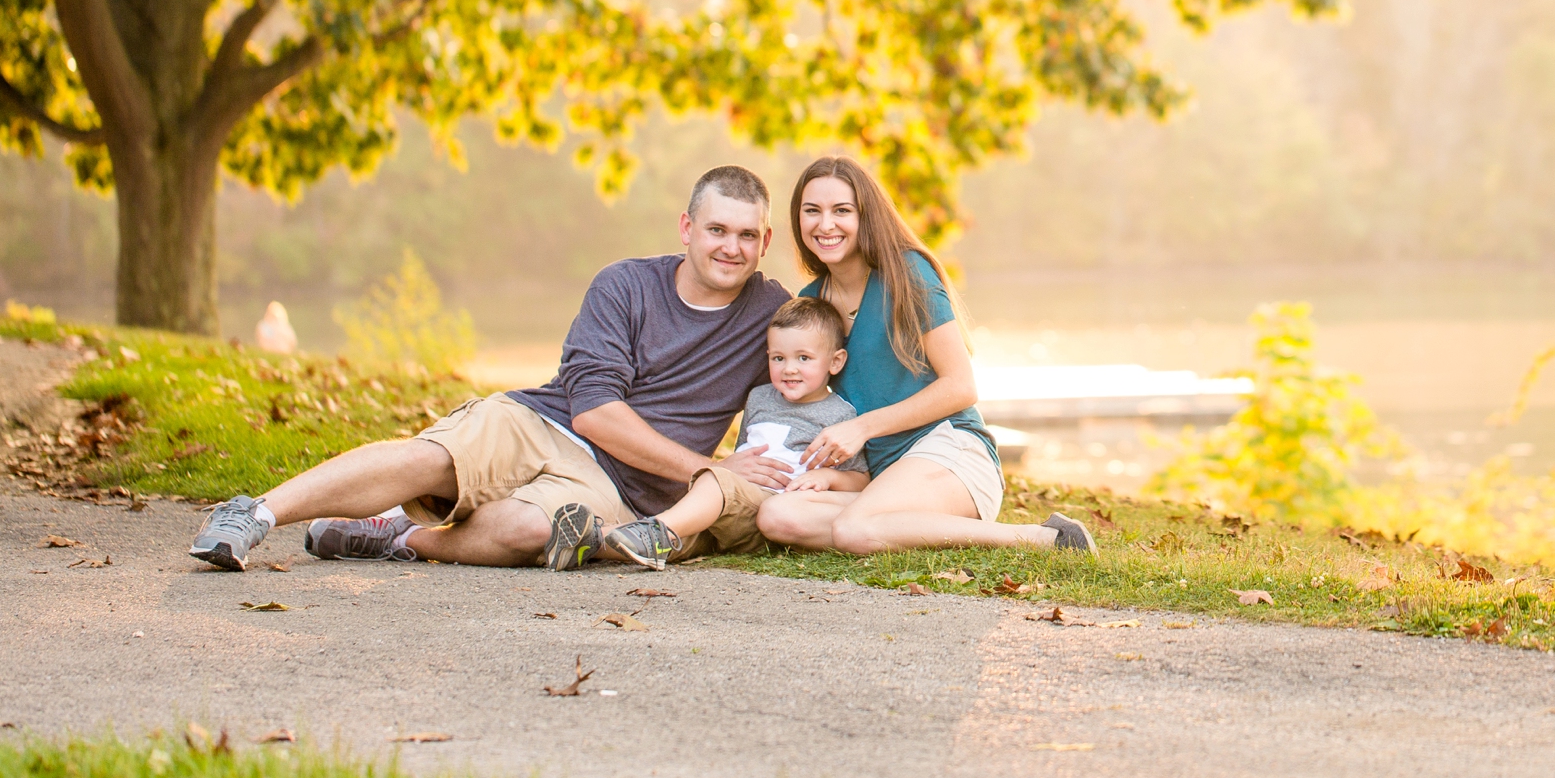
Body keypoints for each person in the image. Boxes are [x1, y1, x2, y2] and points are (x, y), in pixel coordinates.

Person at [188, 165, 794, 571]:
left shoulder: (773, 314)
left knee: (529, 534)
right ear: (687, 228)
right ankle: (253, 513)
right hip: (545, 423)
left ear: (765, 243)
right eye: (716, 229)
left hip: (622, 490)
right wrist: (706, 467)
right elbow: (595, 415)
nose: (731, 248)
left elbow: (833, 341)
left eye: (746, 235)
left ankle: (399, 536)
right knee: (433, 461)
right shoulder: (625, 285)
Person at [754, 155, 1096, 556]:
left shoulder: (907, 273)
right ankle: (913, 528)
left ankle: (1047, 539)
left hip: (950, 451)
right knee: (777, 516)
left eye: (841, 211)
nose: (825, 224)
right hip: (883, 477)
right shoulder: (811, 304)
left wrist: (862, 428)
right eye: (812, 211)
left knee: (854, 530)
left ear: (865, 216)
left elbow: (961, 386)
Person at [604, 295, 869, 567]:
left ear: (835, 362)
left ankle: (655, 531)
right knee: (683, 537)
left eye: (804, 358)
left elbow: (861, 480)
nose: (789, 369)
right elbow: (744, 450)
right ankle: (593, 541)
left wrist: (827, 477)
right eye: (778, 358)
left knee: (717, 481)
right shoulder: (759, 398)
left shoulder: (840, 414)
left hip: (778, 505)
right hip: (736, 504)